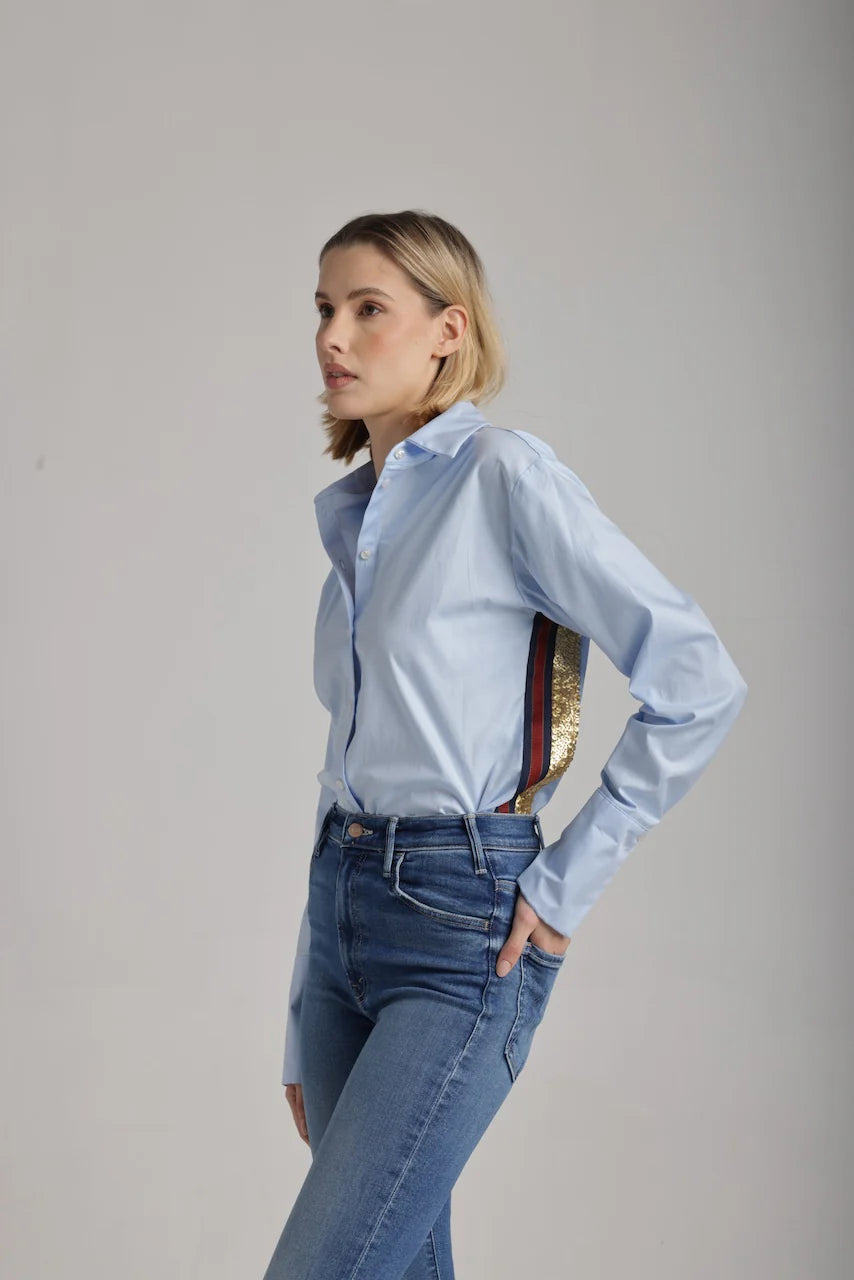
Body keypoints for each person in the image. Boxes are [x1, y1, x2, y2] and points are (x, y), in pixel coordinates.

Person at [262, 210, 748, 1279]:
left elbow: (696, 677)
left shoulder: (500, 476)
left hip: (462, 926)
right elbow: (344, 768)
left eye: (367, 310)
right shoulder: (355, 520)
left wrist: (567, 882)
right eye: (324, 309)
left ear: (448, 329)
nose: (332, 337)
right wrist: (305, 1004)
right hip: (345, 921)